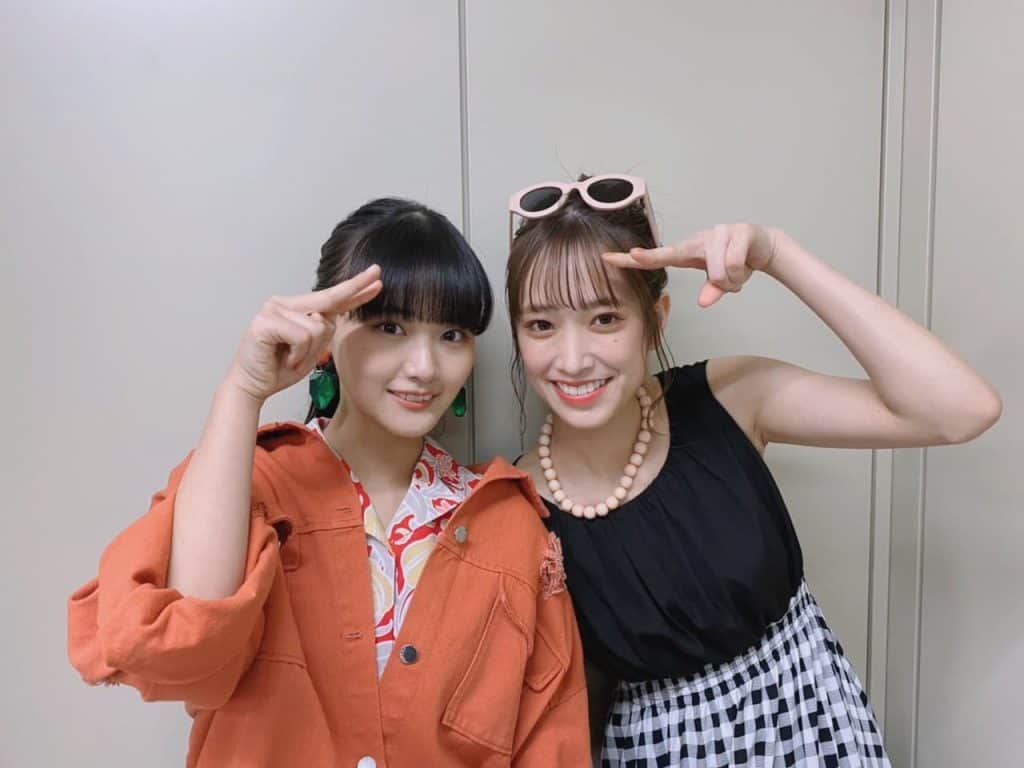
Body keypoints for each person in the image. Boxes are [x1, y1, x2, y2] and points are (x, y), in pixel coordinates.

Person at [68, 197, 590, 767]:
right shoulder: (252, 483)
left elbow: (551, 744)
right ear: (327, 331)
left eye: (451, 334)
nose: (424, 367)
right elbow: (185, 655)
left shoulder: (507, 526)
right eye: (390, 327)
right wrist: (244, 388)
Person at [505, 174, 1002, 766]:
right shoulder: (517, 505)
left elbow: (959, 411)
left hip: (814, 731)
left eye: (605, 318)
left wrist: (775, 253)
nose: (572, 359)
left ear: (655, 321)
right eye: (541, 325)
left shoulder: (730, 399)